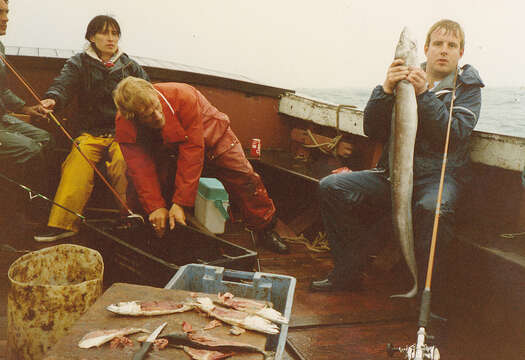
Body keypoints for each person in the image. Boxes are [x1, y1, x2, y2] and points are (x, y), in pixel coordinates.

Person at [311, 19, 484, 292]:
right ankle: (348, 272)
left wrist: (424, 95)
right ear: (425, 49)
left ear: (461, 53)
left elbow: (454, 135)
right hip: (392, 175)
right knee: (332, 187)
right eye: (437, 44)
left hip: (438, 178)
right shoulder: (403, 78)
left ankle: (428, 297)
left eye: (452, 45)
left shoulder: (468, 88)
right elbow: (372, 130)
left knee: (433, 208)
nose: (444, 50)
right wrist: (386, 90)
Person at [112, 76, 289, 254]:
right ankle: (150, 226)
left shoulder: (183, 95)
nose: (158, 116)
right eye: (148, 116)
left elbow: (192, 151)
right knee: (142, 186)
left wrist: (180, 203)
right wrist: (155, 207)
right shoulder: (124, 124)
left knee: (244, 176)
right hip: (166, 143)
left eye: (157, 108)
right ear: (133, 117)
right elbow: (140, 170)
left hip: (211, 132)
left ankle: (265, 228)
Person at [34, 15, 149, 242]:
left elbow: (148, 92)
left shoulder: (130, 66)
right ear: (91, 37)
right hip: (90, 133)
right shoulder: (79, 62)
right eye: (105, 33)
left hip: (121, 134)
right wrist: (52, 99)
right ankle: (63, 224)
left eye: (115, 33)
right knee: (78, 161)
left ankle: (130, 218)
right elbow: (63, 84)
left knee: (123, 163)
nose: (111, 38)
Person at [0, 0, 53, 226]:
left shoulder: (0, 48)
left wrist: (26, 108)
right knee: (30, 149)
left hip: (2, 118)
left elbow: (3, 91)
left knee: (45, 139)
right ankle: (14, 214)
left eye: (7, 11)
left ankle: (36, 207)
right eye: (0, 13)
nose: (6, 18)